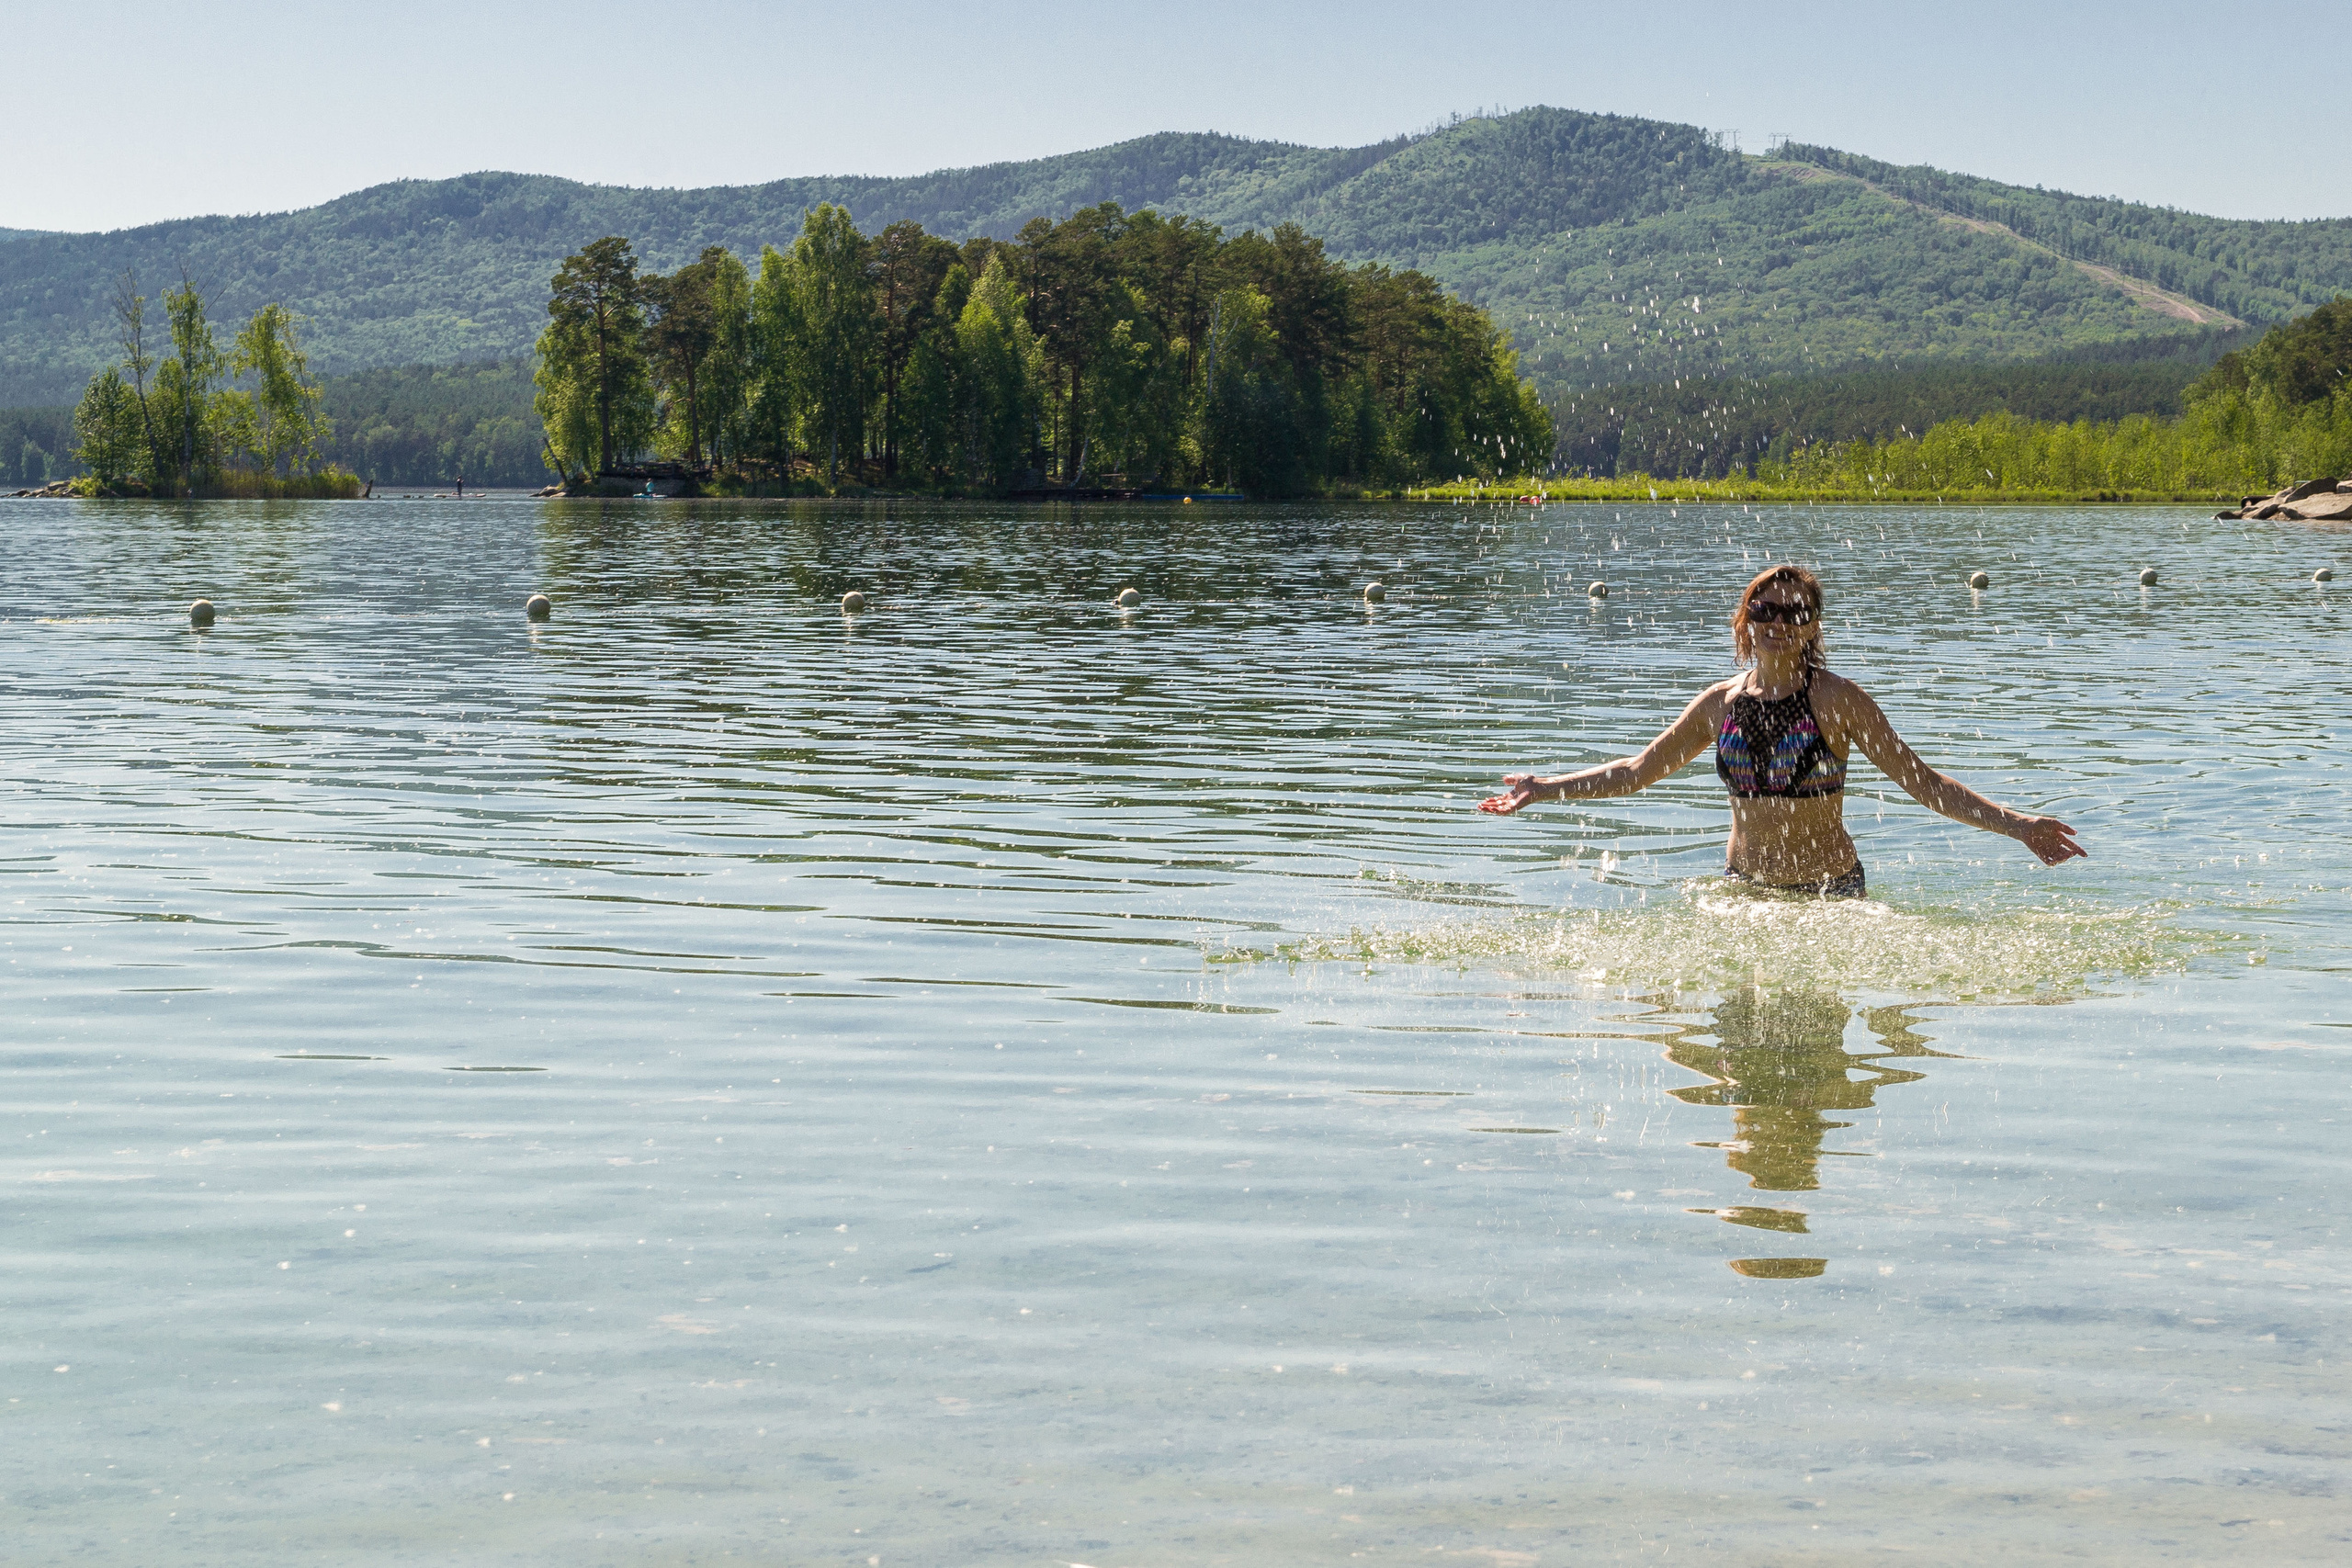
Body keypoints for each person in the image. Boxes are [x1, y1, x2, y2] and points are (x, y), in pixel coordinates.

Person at [1477, 563, 2085, 897]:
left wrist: (2018, 824)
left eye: (1795, 613)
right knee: (1734, 1061)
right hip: (1744, 890)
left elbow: (1924, 783)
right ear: (1746, 619)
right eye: (1765, 610)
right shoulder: (1719, 704)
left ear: (1813, 626)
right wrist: (1545, 787)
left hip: (1830, 893)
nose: (1778, 622)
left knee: (1817, 1062)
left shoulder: (1839, 701)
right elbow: (1637, 771)